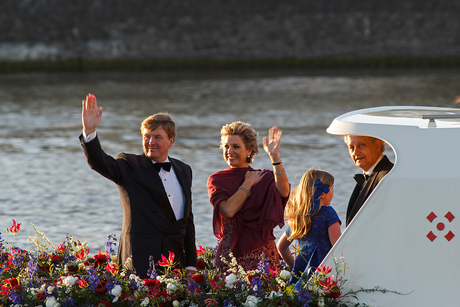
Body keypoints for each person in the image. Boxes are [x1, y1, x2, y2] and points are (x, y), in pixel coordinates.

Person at [79, 93, 197, 278]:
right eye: (146, 136)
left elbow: (187, 220)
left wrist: (190, 265)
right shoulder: (129, 165)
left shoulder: (184, 170)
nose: (150, 142)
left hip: (174, 262)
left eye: (157, 137)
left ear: (171, 141)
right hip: (139, 259)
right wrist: (90, 132)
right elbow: (99, 162)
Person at [207, 122, 290, 272]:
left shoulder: (263, 177)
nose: (229, 151)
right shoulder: (216, 179)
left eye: (236, 146)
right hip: (230, 257)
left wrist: (274, 156)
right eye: (226, 146)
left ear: (249, 150)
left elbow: (284, 192)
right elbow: (229, 210)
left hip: (263, 256)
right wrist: (247, 184)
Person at [277, 169, 341, 285]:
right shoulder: (329, 213)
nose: (333, 192)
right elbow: (339, 248)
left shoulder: (299, 216)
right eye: (332, 189)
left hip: (300, 279)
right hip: (322, 279)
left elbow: (281, 247)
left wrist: (295, 269)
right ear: (322, 194)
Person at [344, 135, 394, 226]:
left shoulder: (388, 176)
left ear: (377, 146)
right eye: (351, 147)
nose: (355, 152)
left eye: (361, 145)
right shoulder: (369, 177)